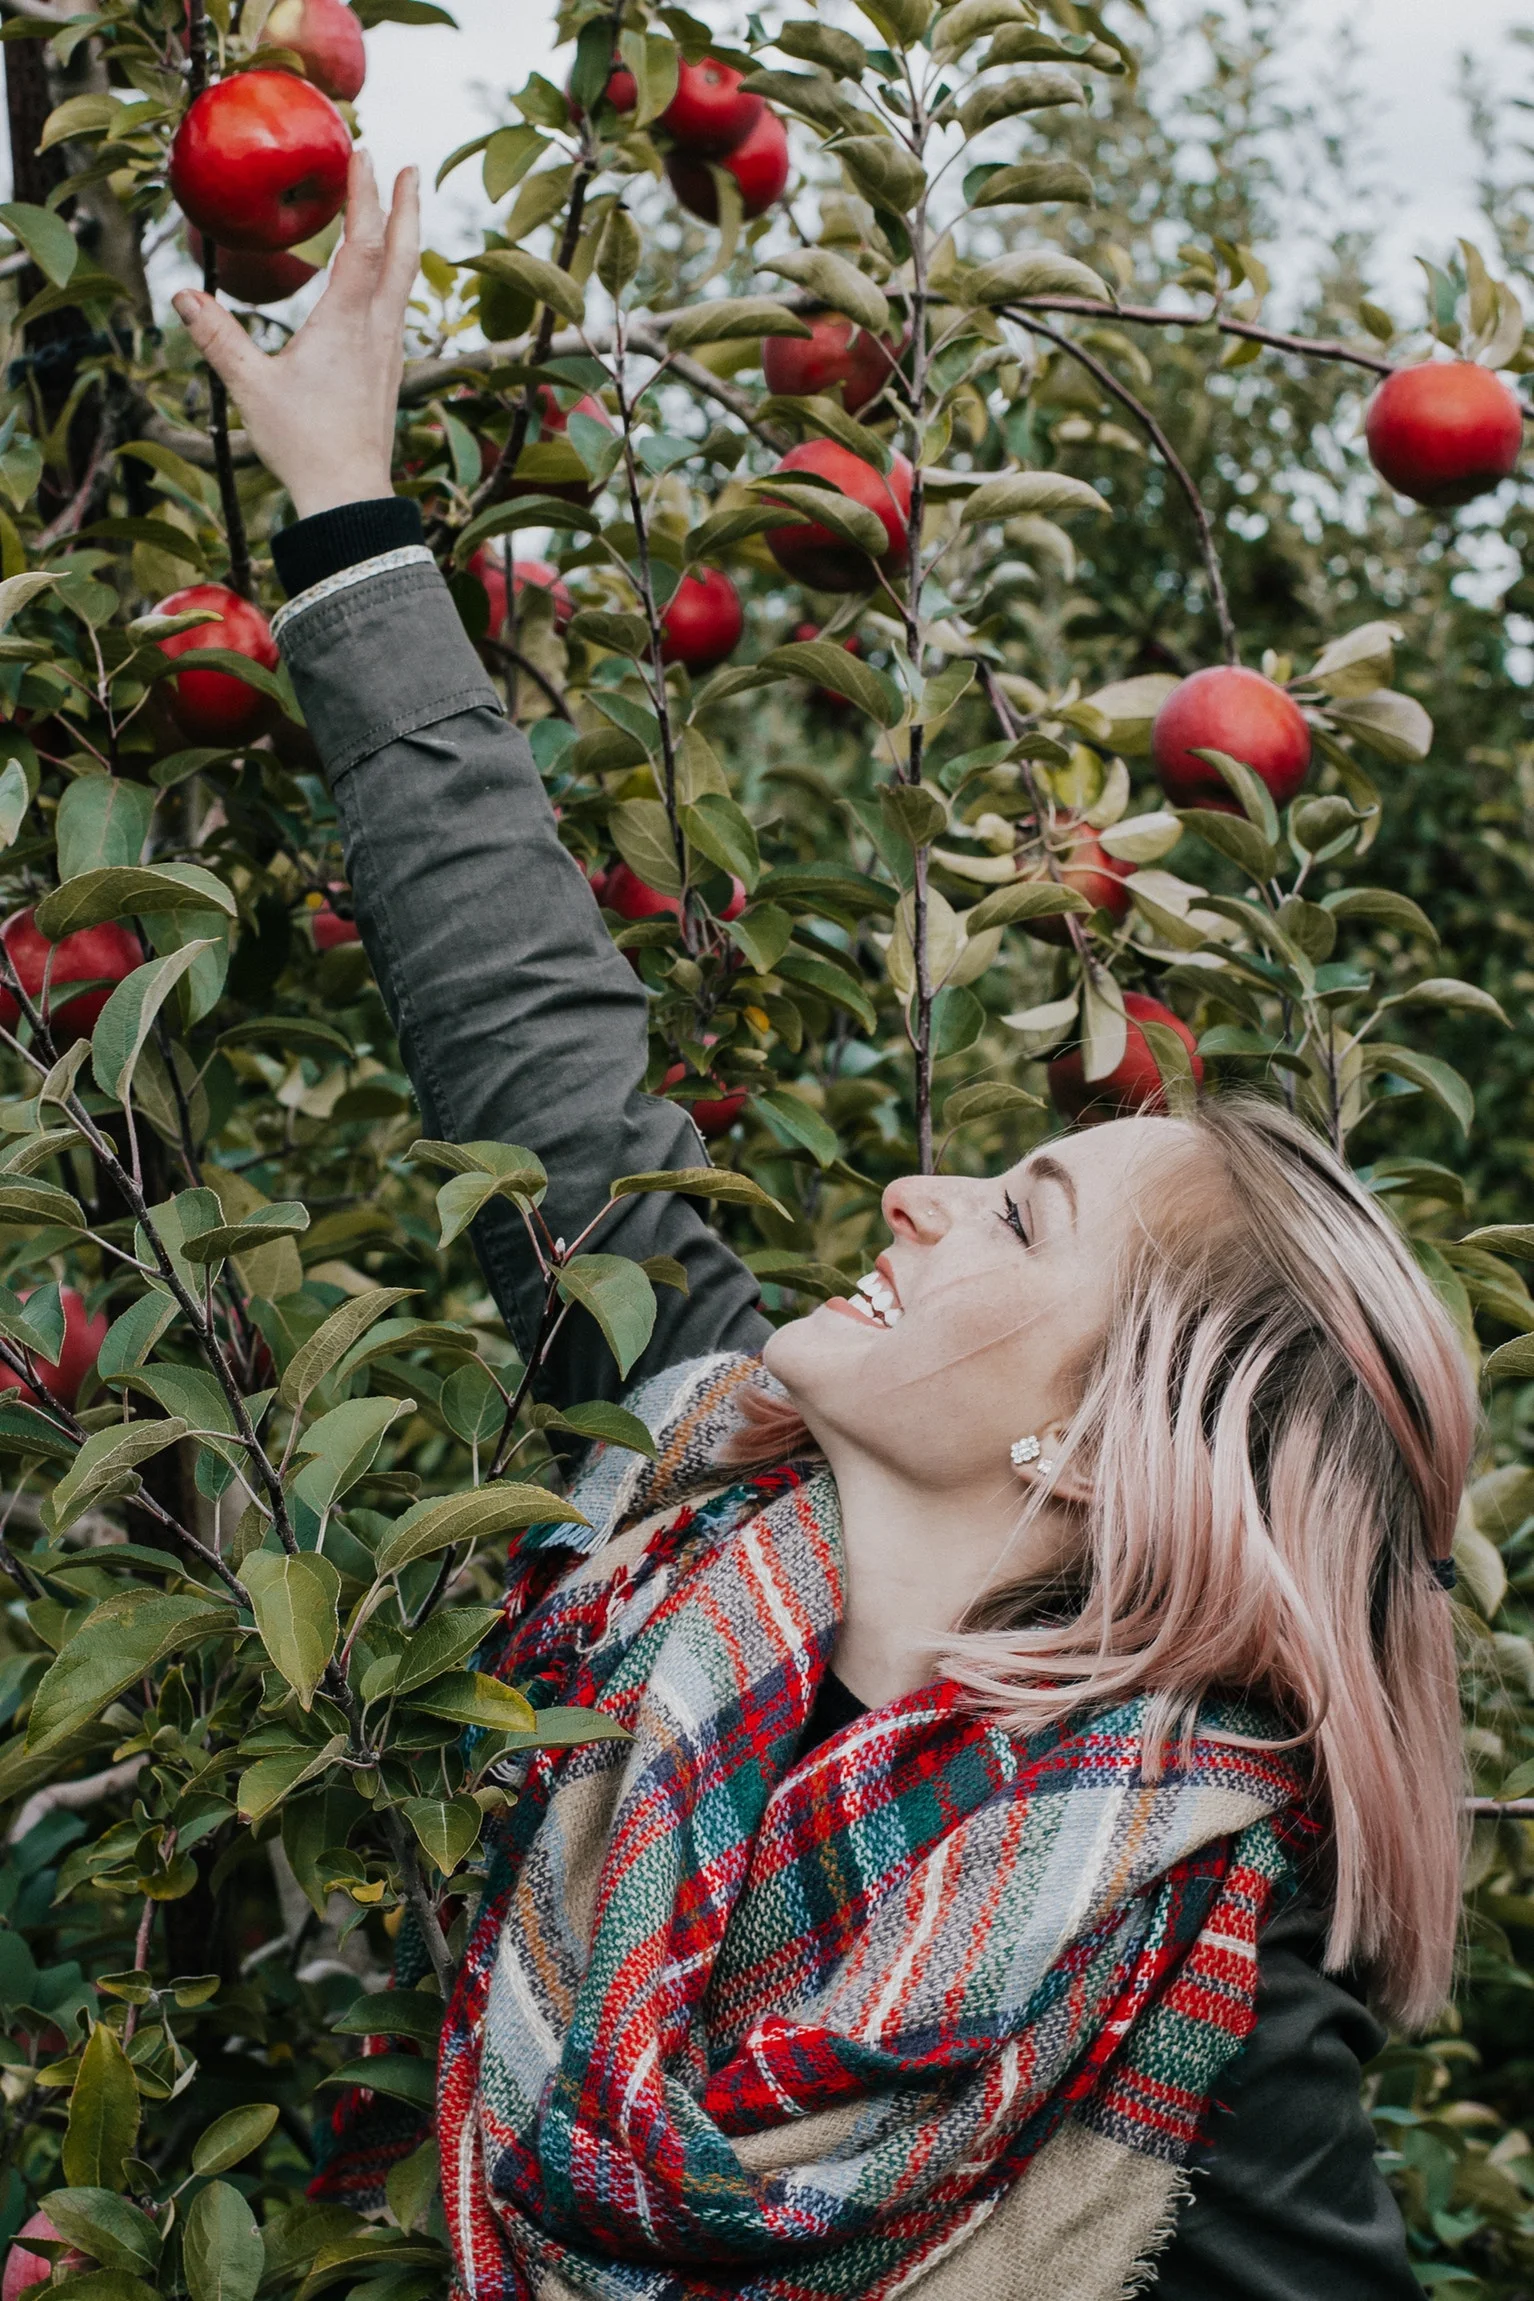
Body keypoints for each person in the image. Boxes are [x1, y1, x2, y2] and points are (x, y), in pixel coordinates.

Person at [174, 158, 1473, 2301]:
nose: (911, 1190)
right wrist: (343, 507)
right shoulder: (667, 1474)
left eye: (1018, 1209)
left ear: (1095, 1442)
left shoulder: (1205, 2000)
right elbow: (522, 1010)